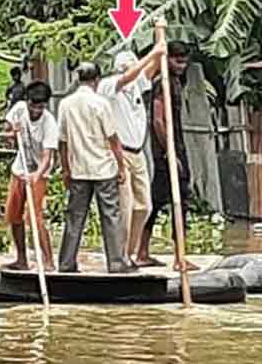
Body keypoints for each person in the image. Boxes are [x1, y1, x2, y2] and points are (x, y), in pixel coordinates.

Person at [56, 62, 132, 274]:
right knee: (111, 216)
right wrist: (121, 166)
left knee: (74, 217)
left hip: (78, 168)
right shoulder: (101, 103)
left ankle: (66, 263)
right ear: (97, 80)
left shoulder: (65, 104)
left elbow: (62, 142)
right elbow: (113, 138)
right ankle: (116, 263)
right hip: (103, 169)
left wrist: (65, 169)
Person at [98, 34, 165, 264]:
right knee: (124, 209)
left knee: (144, 205)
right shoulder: (108, 86)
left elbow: (150, 71)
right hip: (119, 153)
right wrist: (153, 52)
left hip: (138, 154)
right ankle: (120, 255)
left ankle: (130, 251)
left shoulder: (137, 86)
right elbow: (129, 76)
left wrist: (160, 45)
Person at [135, 38, 198, 272]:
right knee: (178, 199)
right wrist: (170, 152)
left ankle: (143, 252)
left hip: (172, 148)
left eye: (184, 62)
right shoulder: (164, 83)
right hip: (167, 151)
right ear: (167, 59)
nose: (181, 66)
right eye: (177, 61)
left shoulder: (174, 81)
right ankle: (179, 256)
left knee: (159, 200)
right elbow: (158, 120)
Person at [2, 81, 58, 271]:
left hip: (39, 171)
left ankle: (48, 260)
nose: (36, 110)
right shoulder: (19, 109)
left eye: (40, 107)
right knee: (14, 215)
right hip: (20, 168)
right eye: (33, 106)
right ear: (27, 101)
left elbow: (47, 156)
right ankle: (21, 259)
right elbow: (7, 132)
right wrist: (12, 133)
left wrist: (36, 175)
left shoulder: (49, 123)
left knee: (33, 216)